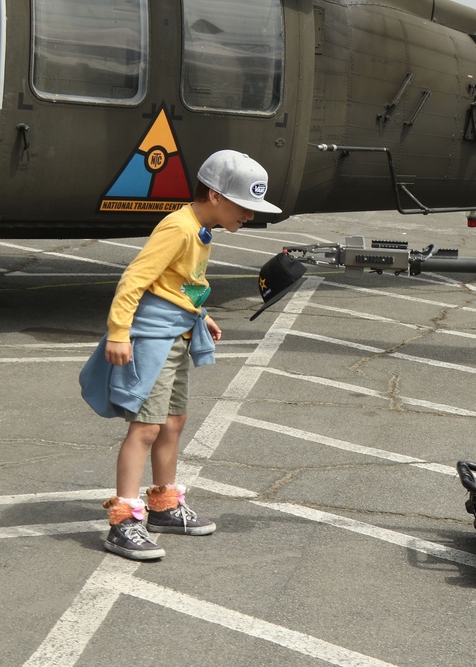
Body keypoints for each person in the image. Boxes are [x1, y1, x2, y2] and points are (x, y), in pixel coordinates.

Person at [80, 150, 281, 560]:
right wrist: (119, 333)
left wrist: (200, 314)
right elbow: (135, 278)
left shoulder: (202, 229)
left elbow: (181, 282)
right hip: (151, 339)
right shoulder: (179, 227)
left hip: (178, 333)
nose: (250, 216)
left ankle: (164, 505)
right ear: (215, 195)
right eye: (245, 206)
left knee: (173, 421)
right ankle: (123, 521)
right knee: (146, 428)